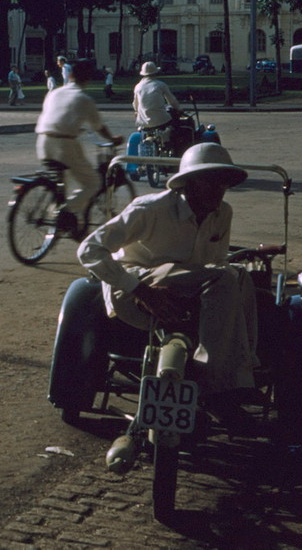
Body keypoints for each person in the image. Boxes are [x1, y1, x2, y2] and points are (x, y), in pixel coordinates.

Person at [77, 142, 259, 429]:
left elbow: (216, 262)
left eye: (223, 182)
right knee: (226, 277)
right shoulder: (151, 208)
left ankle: (242, 370)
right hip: (136, 286)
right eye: (209, 181)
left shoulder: (222, 213)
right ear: (189, 183)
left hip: (186, 283)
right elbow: (89, 249)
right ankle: (215, 387)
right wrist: (140, 290)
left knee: (239, 276)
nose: (218, 190)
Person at [34, 59, 125, 237]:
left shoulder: (55, 93)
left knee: (61, 184)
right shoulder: (84, 99)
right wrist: (113, 139)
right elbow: (99, 127)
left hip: (43, 142)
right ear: (88, 78)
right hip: (64, 144)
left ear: (70, 75)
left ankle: (59, 218)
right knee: (93, 183)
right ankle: (64, 212)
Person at [132, 61, 181, 130]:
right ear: (155, 73)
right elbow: (172, 101)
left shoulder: (138, 87)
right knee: (176, 124)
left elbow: (135, 105)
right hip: (162, 120)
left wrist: (137, 111)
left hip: (143, 122)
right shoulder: (161, 85)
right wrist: (179, 109)